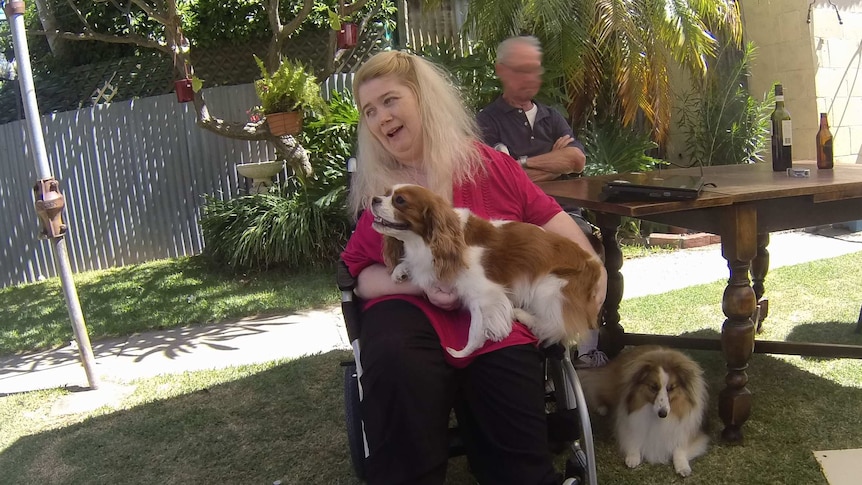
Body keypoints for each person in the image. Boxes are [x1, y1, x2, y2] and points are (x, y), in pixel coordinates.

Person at [341, 50, 606, 485]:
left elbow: (554, 222)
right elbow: (358, 278)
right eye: (369, 110)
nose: (380, 117)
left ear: (423, 98)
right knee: (395, 359)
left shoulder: (491, 167)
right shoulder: (384, 193)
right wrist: (423, 287)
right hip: (410, 315)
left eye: (389, 101)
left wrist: (594, 266)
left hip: (493, 308)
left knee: (508, 382)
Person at [477, 35, 607, 368]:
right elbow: (501, 178)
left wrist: (520, 162)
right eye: (521, 70)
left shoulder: (552, 115)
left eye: (534, 70)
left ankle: (587, 346)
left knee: (596, 249)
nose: (530, 78)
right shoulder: (487, 121)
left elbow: (577, 160)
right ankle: (542, 346)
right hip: (522, 226)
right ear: (501, 71)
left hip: (567, 215)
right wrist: (552, 159)